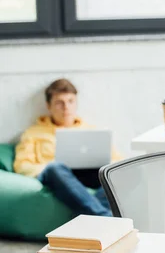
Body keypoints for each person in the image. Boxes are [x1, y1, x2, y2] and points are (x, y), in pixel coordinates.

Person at [13, 78, 121, 217]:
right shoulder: (33, 133)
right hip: (57, 177)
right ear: (48, 105)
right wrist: (46, 168)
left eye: (71, 101)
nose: (66, 107)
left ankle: (94, 214)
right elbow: (21, 166)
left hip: (89, 176)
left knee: (115, 172)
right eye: (59, 103)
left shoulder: (91, 131)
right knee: (55, 168)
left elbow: (117, 161)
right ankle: (103, 216)